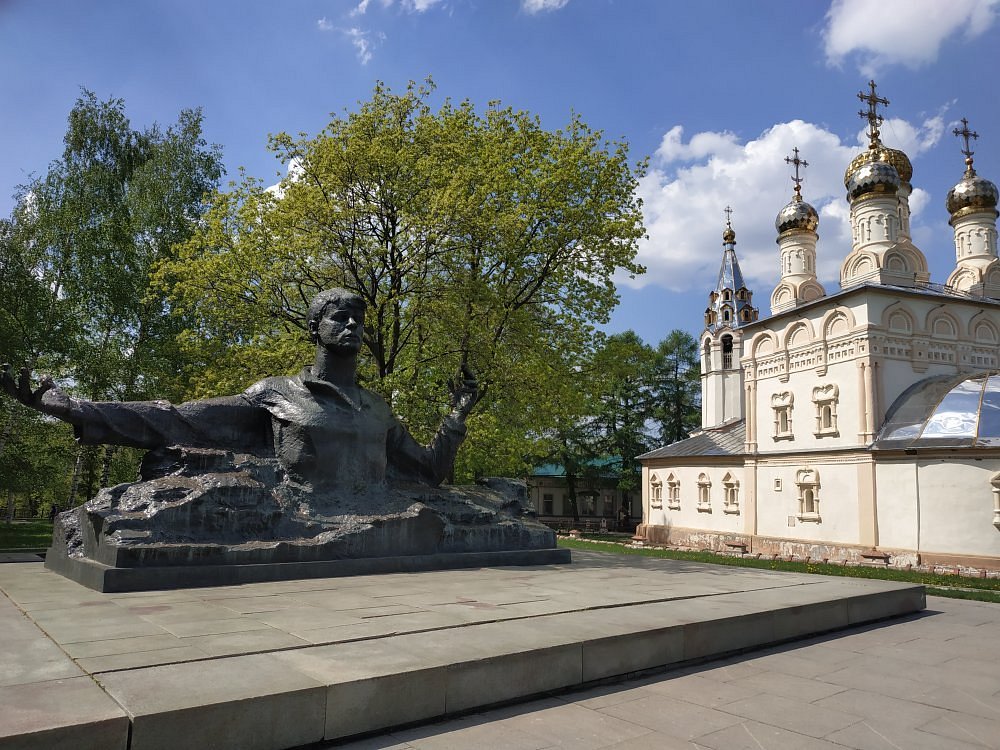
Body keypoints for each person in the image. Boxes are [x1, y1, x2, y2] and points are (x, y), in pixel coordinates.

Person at [1, 289, 478, 493]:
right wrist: (69, 407)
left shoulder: (377, 408)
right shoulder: (278, 394)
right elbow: (177, 418)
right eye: (340, 317)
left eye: (359, 319)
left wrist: (455, 419)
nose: (353, 325)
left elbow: (428, 472)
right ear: (315, 327)